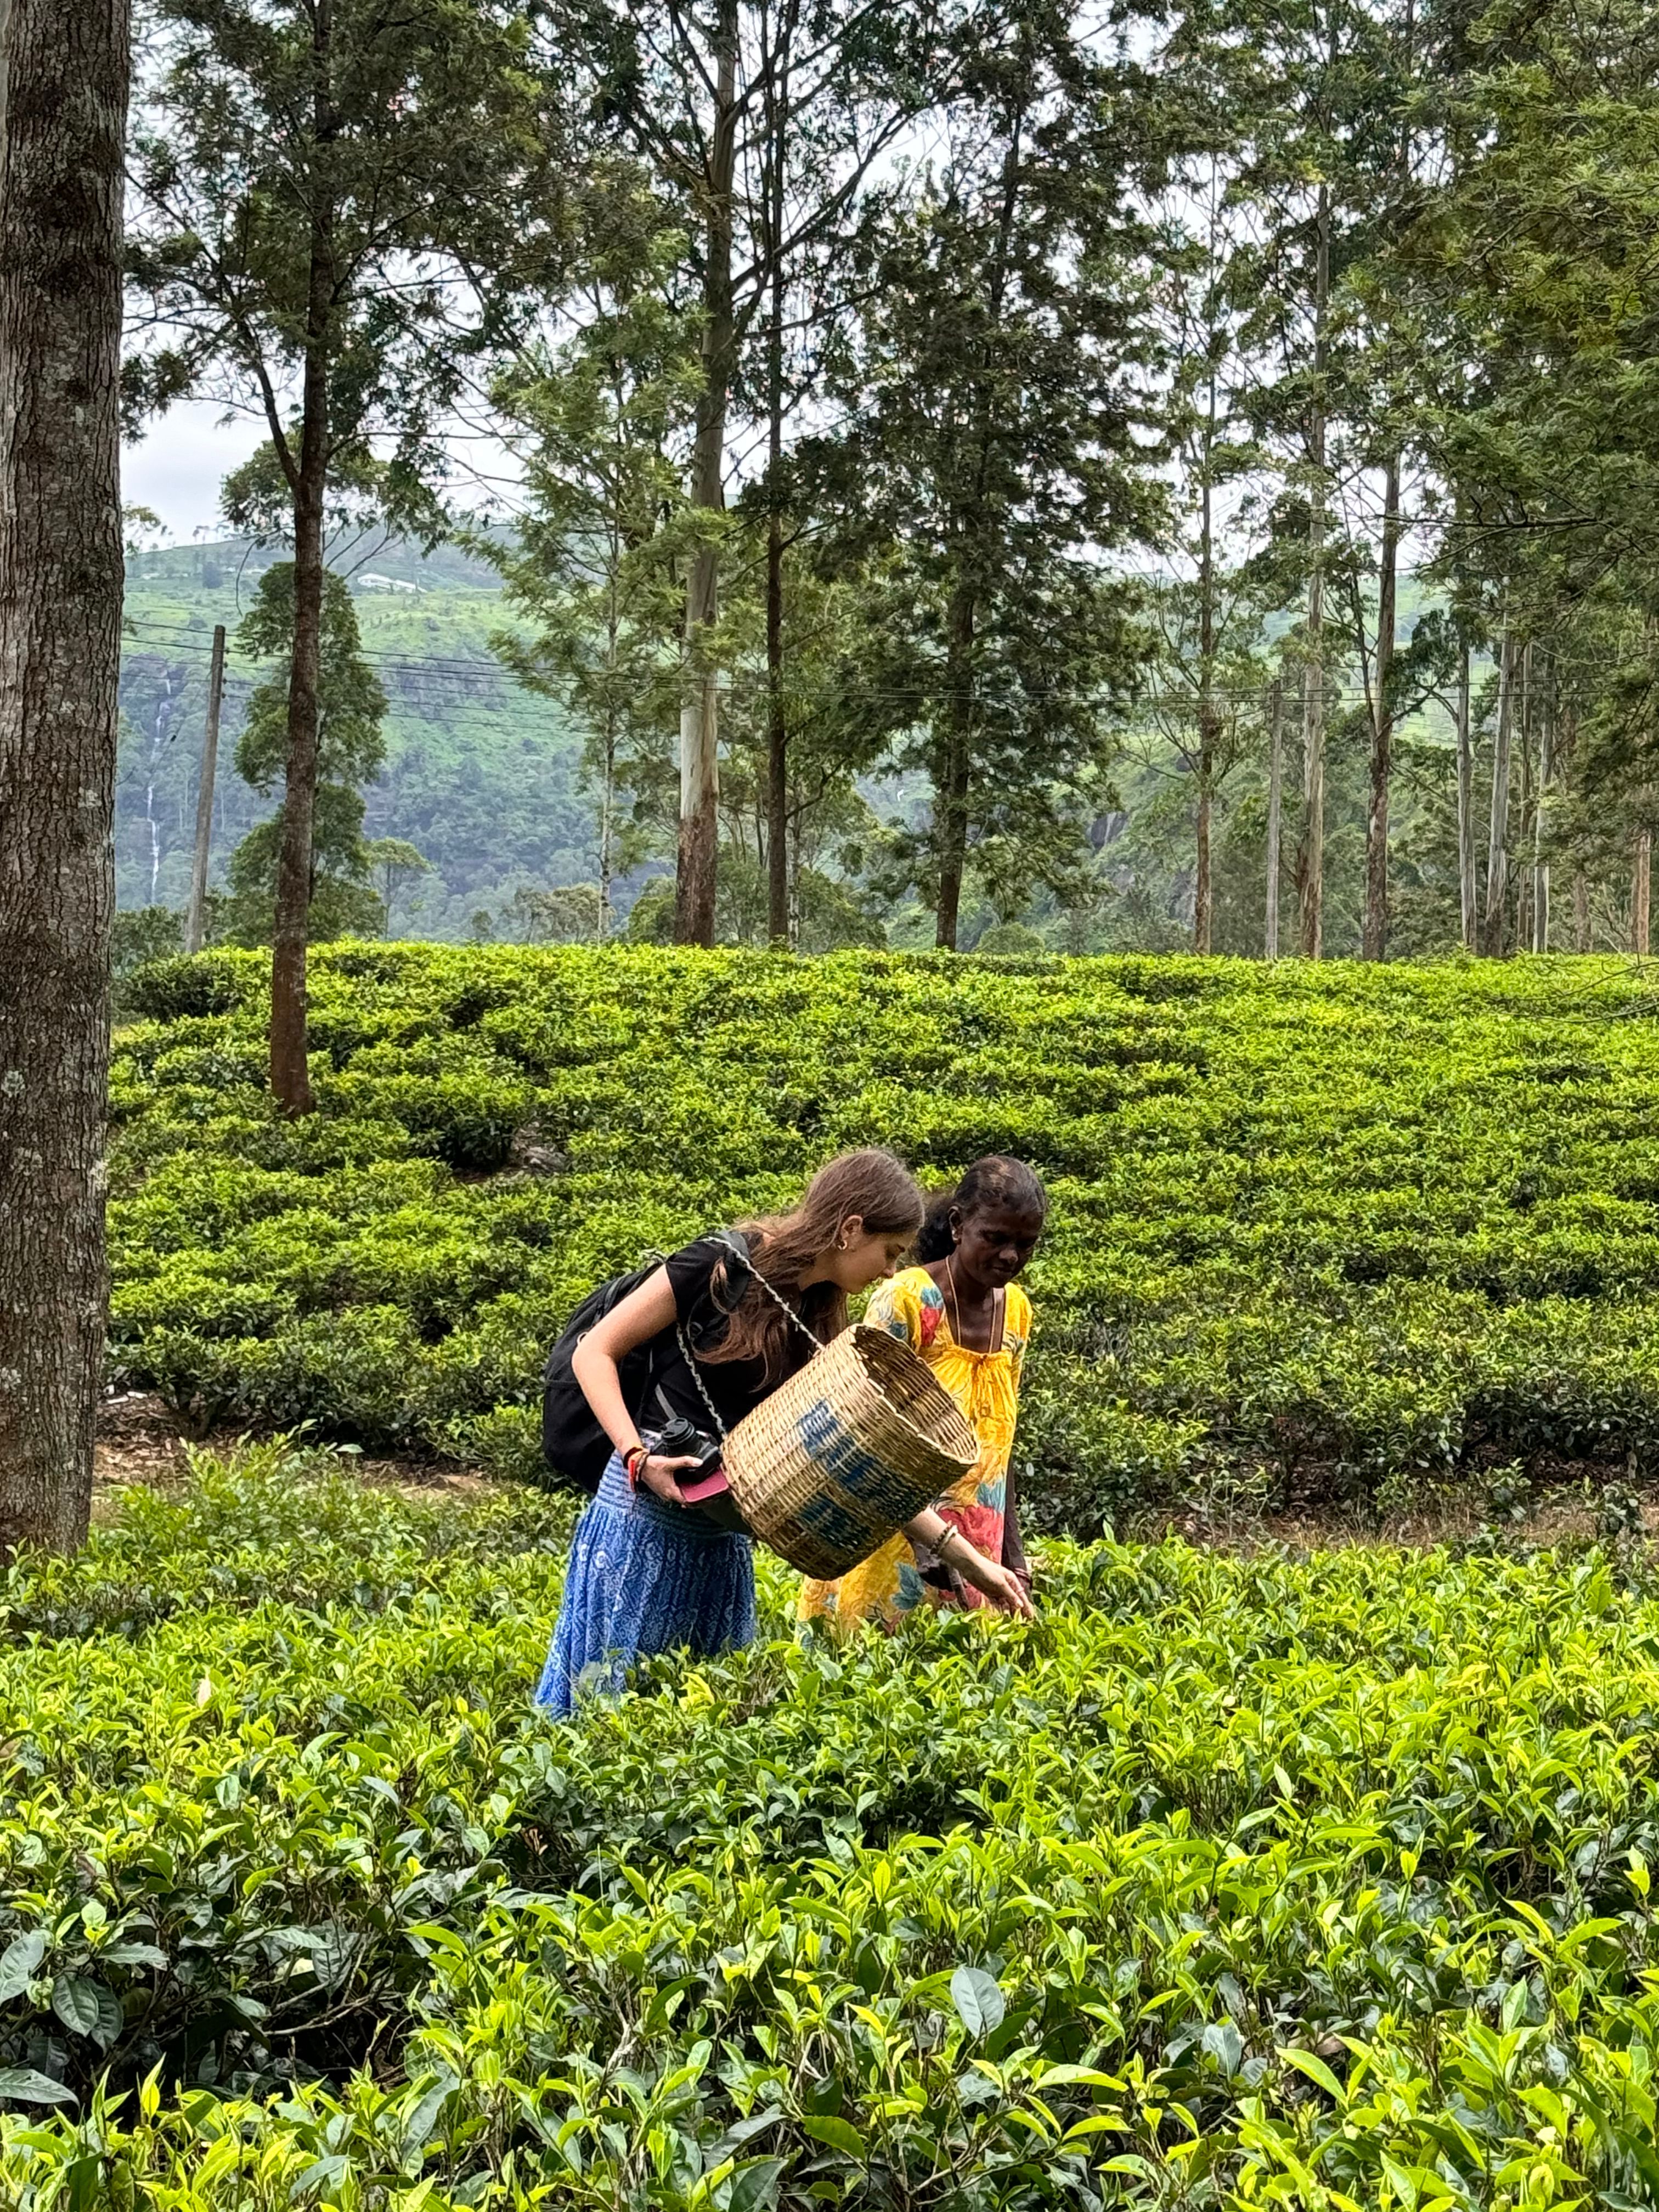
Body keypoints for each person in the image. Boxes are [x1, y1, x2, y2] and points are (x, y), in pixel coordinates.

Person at [535, 1148, 1032, 1714]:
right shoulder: (721, 1265)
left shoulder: (819, 1320)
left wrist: (974, 1564)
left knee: (705, 1718)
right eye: (889, 1252)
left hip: (719, 1538)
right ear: (850, 1230)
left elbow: (863, 1467)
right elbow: (594, 1352)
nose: (893, 1271)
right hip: (640, 1519)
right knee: (605, 1709)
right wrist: (637, 1457)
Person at [799, 1154, 1047, 1634]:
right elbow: (863, 1432)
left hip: (978, 1548)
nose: (1011, 1257)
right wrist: (926, 1541)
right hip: (896, 1540)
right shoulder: (908, 1301)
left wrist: (1014, 1558)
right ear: (958, 1225)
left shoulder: (1016, 1312)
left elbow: (1001, 1445)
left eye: (1025, 1245)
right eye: (995, 1238)